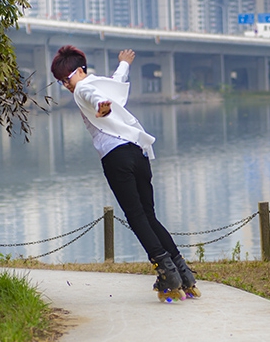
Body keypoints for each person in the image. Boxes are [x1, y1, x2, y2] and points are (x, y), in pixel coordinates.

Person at [50, 46, 199, 300]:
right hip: (138, 152)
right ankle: (184, 273)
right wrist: (124, 63)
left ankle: (167, 273)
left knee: (136, 216)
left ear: (79, 71)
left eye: (66, 78)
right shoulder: (101, 83)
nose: (66, 85)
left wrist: (101, 106)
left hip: (116, 157)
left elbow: (92, 95)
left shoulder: (84, 89)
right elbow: (117, 82)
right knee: (149, 216)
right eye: (61, 82)